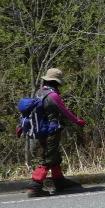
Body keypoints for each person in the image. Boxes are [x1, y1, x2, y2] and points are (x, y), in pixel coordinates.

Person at [27, 68, 86, 197]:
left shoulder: (39, 93)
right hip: (52, 131)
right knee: (48, 158)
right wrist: (78, 121)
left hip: (40, 130)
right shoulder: (53, 95)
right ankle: (35, 186)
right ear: (57, 82)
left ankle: (59, 182)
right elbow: (65, 111)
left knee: (55, 157)